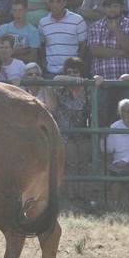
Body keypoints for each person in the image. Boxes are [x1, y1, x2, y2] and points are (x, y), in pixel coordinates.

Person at [50, 56, 101, 204]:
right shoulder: (62, 88)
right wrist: (68, 79)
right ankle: (71, 198)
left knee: (84, 165)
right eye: (70, 72)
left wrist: (97, 79)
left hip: (83, 132)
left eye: (76, 72)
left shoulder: (86, 89)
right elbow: (56, 79)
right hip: (65, 133)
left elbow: (98, 81)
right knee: (71, 164)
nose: (73, 75)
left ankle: (83, 197)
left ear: (81, 74)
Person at [89, 0, 129, 127]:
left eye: (115, 6)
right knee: (101, 115)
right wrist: (122, 52)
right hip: (102, 81)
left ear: (121, 7)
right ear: (104, 9)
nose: (112, 10)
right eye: (108, 7)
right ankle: (101, 146)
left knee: (128, 115)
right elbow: (95, 50)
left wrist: (116, 30)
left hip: (126, 81)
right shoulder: (96, 26)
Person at [38, 0, 87, 77]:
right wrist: (44, 64)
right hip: (50, 72)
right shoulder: (43, 22)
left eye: (58, 2)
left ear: (64, 3)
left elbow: (83, 46)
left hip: (71, 73)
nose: (54, 5)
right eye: (52, 2)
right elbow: (42, 46)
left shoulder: (77, 20)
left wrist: (76, 66)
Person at [0, 0, 40, 64]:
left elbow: (31, 58)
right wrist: (14, 52)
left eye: (20, 10)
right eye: (14, 10)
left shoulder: (33, 31)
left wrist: (5, 54)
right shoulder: (3, 28)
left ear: (26, 11)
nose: (17, 14)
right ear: (11, 11)